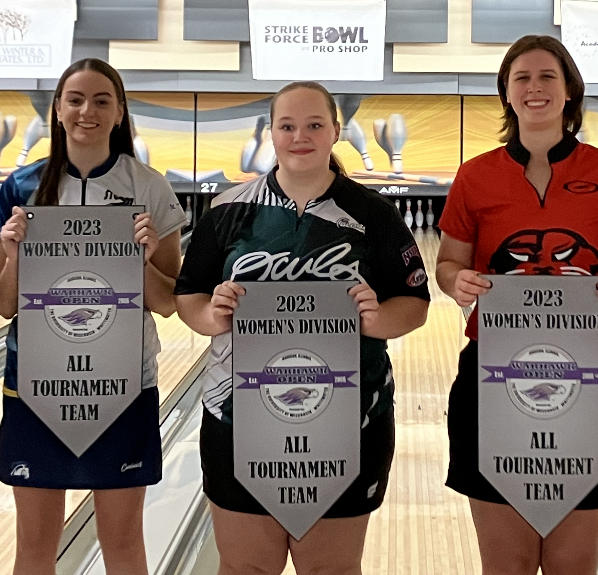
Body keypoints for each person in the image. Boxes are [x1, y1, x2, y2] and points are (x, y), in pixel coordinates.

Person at [174, 81, 430, 575]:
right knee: (247, 568)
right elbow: (190, 295)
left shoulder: (374, 215)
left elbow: (414, 302)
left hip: (351, 417)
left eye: (315, 125)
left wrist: (378, 319)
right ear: (271, 132)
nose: (300, 136)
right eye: (287, 125)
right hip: (237, 416)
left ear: (336, 131)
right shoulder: (229, 210)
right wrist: (212, 314)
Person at [435, 35, 598, 574]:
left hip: (592, 372)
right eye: (522, 79)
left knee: (572, 565)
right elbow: (446, 265)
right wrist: (457, 282)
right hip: (495, 372)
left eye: (547, 77)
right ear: (507, 94)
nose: (535, 88)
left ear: (569, 91)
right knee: (504, 566)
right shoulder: (476, 174)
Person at [0, 58, 187, 575]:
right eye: (75, 99)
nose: (87, 111)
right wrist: (14, 253)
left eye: (101, 100)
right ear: (57, 108)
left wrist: (140, 261)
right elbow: (3, 303)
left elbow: (167, 302)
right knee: (34, 545)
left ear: (119, 112)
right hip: (36, 380)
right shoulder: (22, 185)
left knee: (121, 541)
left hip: (124, 379)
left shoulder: (149, 187)